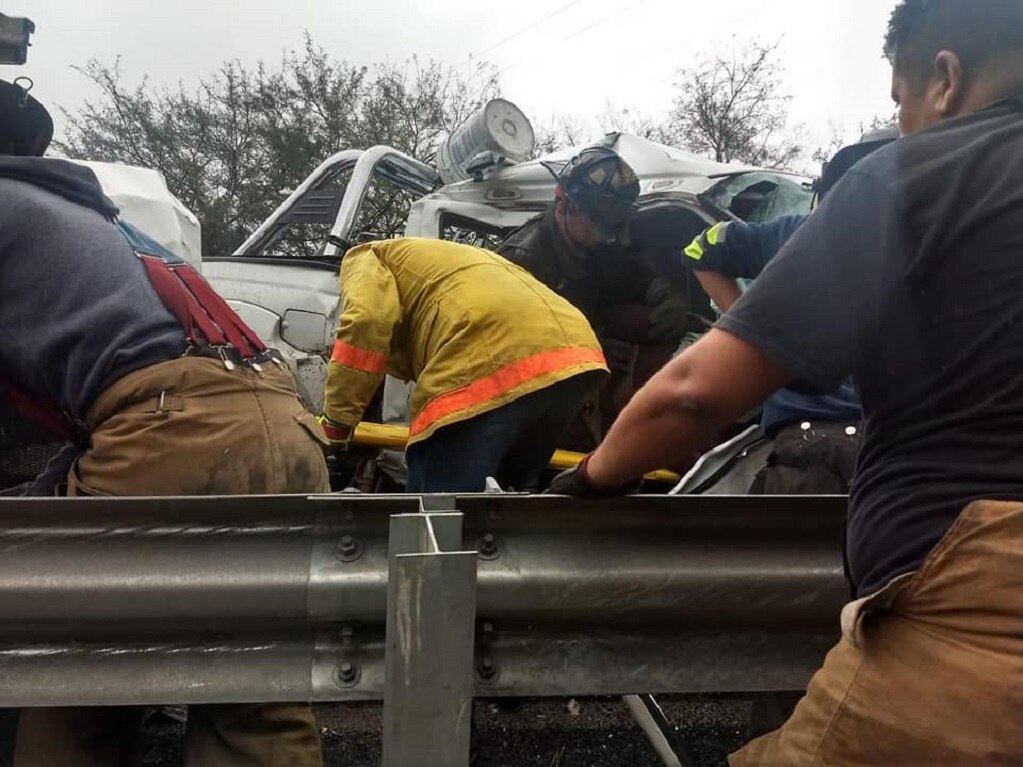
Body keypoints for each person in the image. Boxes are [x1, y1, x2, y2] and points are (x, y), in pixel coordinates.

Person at [551, 1, 1023, 763]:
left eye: (898, 101)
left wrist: (595, 476)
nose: (900, 124)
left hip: (972, 624)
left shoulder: (913, 176)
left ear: (942, 79)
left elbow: (693, 392)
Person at [0, 80, 326, 767]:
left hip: (169, 427)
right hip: (285, 419)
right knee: (254, 693)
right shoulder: (100, 220)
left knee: (79, 676)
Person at [682, 132, 895, 498]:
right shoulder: (940, 247)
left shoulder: (796, 234)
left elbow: (699, 248)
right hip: (897, 452)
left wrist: (748, 326)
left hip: (806, 452)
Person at [318, 237, 608, 492]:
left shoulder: (365, 256)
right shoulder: (456, 261)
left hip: (493, 351)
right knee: (502, 514)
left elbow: (367, 321)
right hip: (575, 357)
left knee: (434, 514)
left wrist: (336, 424)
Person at [497, 144, 689, 384]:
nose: (607, 234)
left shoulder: (599, 244)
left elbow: (631, 277)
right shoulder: (522, 262)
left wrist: (668, 295)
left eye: (616, 221)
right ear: (562, 205)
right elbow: (511, 349)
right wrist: (587, 353)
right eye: (599, 221)